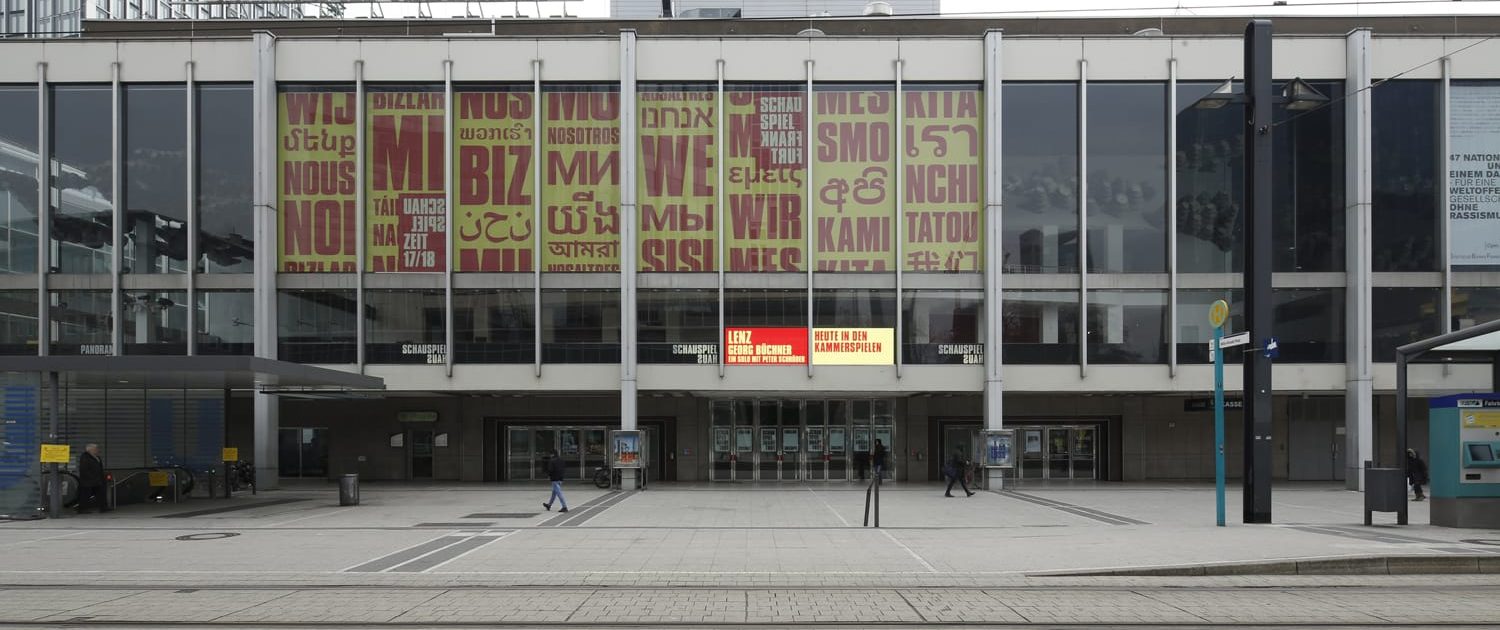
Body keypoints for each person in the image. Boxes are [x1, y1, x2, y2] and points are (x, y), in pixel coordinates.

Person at [76, 443, 109, 514]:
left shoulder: (97, 457)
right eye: (96, 449)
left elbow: (99, 468)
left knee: (101, 494)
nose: (98, 450)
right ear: (90, 450)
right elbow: (84, 469)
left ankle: (103, 507)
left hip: (97, 480)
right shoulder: (85, 457)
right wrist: (91, 477)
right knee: (85, 495)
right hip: (88, 481)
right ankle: (82, 509)